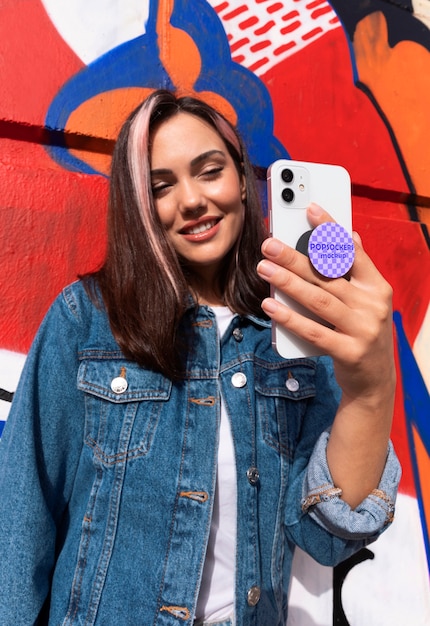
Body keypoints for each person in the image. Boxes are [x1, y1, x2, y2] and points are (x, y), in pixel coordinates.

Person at [0, 90, 400, 626]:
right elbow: (20, 525)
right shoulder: (87, 319)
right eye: (160, 186)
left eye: (209, 171)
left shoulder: (296, 334)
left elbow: (326, 536)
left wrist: (371, 392)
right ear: (138, 205)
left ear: (240, 178)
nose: (190, 200)